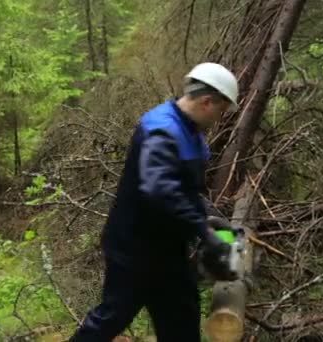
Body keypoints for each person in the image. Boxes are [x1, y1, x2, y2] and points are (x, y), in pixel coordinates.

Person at [69, 62, 239, 342]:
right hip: (133, 249)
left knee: (182, 320)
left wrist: (208, 215)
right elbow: (159, 189)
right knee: (112, 317)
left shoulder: (191, 133)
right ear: (207, 102)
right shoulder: (161, 129)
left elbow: (185, 189)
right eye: (221, 110)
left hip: (167, 250)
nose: (220, 118)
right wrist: (204, 231)